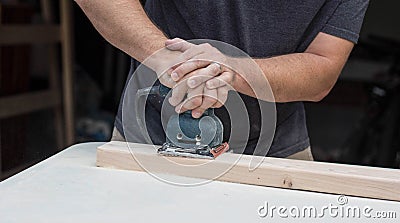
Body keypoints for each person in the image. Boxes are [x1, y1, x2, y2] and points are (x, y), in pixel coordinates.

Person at [75, 0, 369, 161]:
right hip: (148, 141)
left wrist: (230, 72)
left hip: (275, 154)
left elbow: (323, 67)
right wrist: (167, 59)